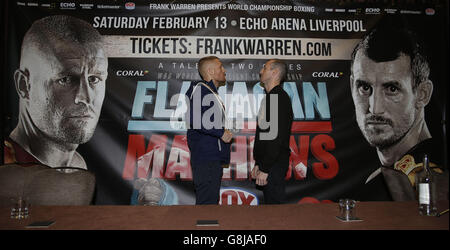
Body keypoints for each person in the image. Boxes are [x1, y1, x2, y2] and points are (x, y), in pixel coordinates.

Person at [350, 17, 448, 201]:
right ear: (351, 86)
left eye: (392, 89)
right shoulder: (386, 177)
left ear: (422, 94)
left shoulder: (430, 177)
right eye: (364, 87)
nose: (375, 108)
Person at [4, 15, 108, 170]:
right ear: (24, 85)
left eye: (94, 79)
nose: (85, 97)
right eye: (65, 79)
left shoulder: (76, 166)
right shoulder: (7, 168)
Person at [185, 56, 233, 205]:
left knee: (209, 203)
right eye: (220, 67)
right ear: (211, 71)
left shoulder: (209, 92)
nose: (224, 70)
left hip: (210, 158)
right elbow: (194, 120)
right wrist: (220, 133)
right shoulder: (201, 89)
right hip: (206, 159)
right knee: (207, 205)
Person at [252, 59, 293, 204]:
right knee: (272, 208)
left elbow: (275, 138)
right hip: (270, 163)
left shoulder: (277, 98)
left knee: (276, 211)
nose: (261, 71)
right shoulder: (270, 98)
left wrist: (266, 167)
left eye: (265, 68)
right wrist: (259, 163)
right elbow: (264, 135)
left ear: (275, 72)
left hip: (274, 165)